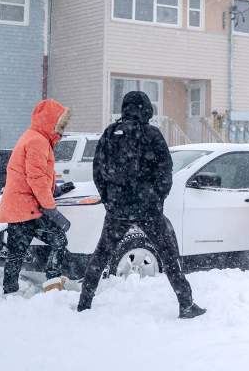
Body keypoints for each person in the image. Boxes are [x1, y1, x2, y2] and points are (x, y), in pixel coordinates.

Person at [77, 91, 205, 319]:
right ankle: (186, 304)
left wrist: (109, 200)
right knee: (168, 254)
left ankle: (84, 303)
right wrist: (157, 201)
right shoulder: (152, 134)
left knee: (102, 254)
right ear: (146, 109)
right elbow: (166, 171)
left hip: (117, 209)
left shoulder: (109, 134)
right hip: (148, 209)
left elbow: (98, 170)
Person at [0, 99, 71, 295]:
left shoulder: (32, 137)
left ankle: (10, 292)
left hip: (20, 207)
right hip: (25, 209)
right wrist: (51, 209)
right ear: (50, 121)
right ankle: (52, 285)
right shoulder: (38, 141)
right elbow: (36, 178)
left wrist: (55, 189)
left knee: (16, 254)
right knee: (58, 239)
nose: (61, 130)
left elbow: (35, 175)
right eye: (60, 125)